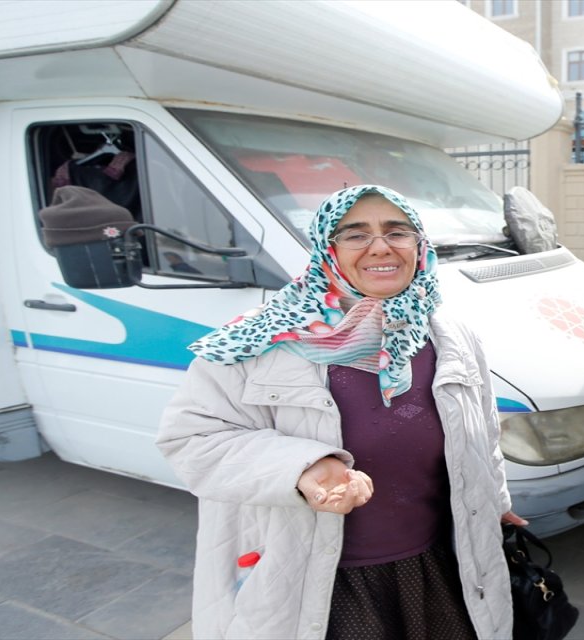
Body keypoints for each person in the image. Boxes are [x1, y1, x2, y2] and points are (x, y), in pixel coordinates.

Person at [157, 185, 523, 640]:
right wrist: (304, 468)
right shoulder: (258, 342)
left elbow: (483, 429)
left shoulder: (450, 334)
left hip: (441, 563)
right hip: (321, 581)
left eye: (397, 231)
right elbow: (191, 438)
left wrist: (496, 504)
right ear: (327, 250)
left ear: (419, 245)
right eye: (355, 235)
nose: (380, 247)